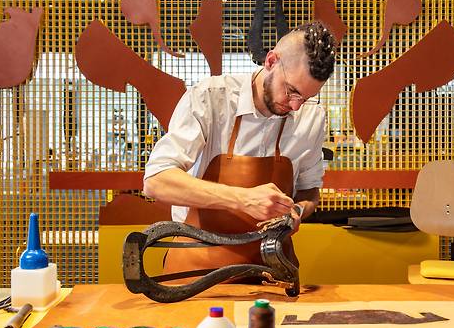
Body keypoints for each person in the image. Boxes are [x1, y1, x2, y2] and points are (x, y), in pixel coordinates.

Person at [143, 21, 336, 274]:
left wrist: (297, 211)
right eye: (291, 91)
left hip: (270, 267)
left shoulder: (311, 117)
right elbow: (156, 181)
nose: (296, 106)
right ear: (271, 62)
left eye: (307, 97)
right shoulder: (211, 98)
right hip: (196, 266)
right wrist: (242, 199)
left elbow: (309, 192)